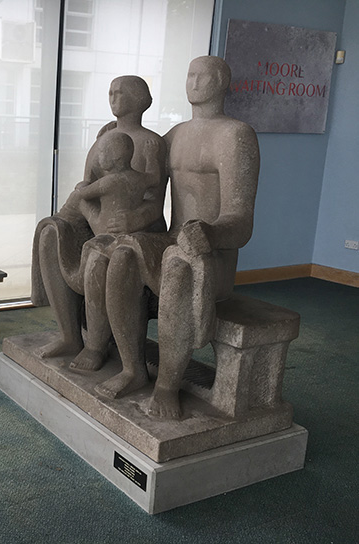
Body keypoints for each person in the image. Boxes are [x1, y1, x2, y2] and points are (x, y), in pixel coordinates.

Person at [95, 56, 260, 419]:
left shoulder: (236, 135)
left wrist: (212, 232)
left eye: (204, 75)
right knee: (123, 253)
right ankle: (132, 368)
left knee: (176, 264)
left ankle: (167, 387)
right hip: (172, 239)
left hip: (212, 253)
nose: (194, 82)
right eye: (190, 74)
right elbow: (138, 181)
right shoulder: (174, 136)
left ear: (222, 81)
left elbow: (241, 220)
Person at [31, 76, 167, 371]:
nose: (114, 97)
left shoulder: (151, 143)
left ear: (141, 99)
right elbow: (88, 188)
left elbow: (155, 203)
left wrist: (133, 218)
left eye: (122, 92)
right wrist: (67, 217)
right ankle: (70, 336)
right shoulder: (104, 137)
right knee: (50, 233)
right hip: (98, 219)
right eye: (110, 92)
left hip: (136, 228)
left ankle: (96, 345)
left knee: (97, 256)